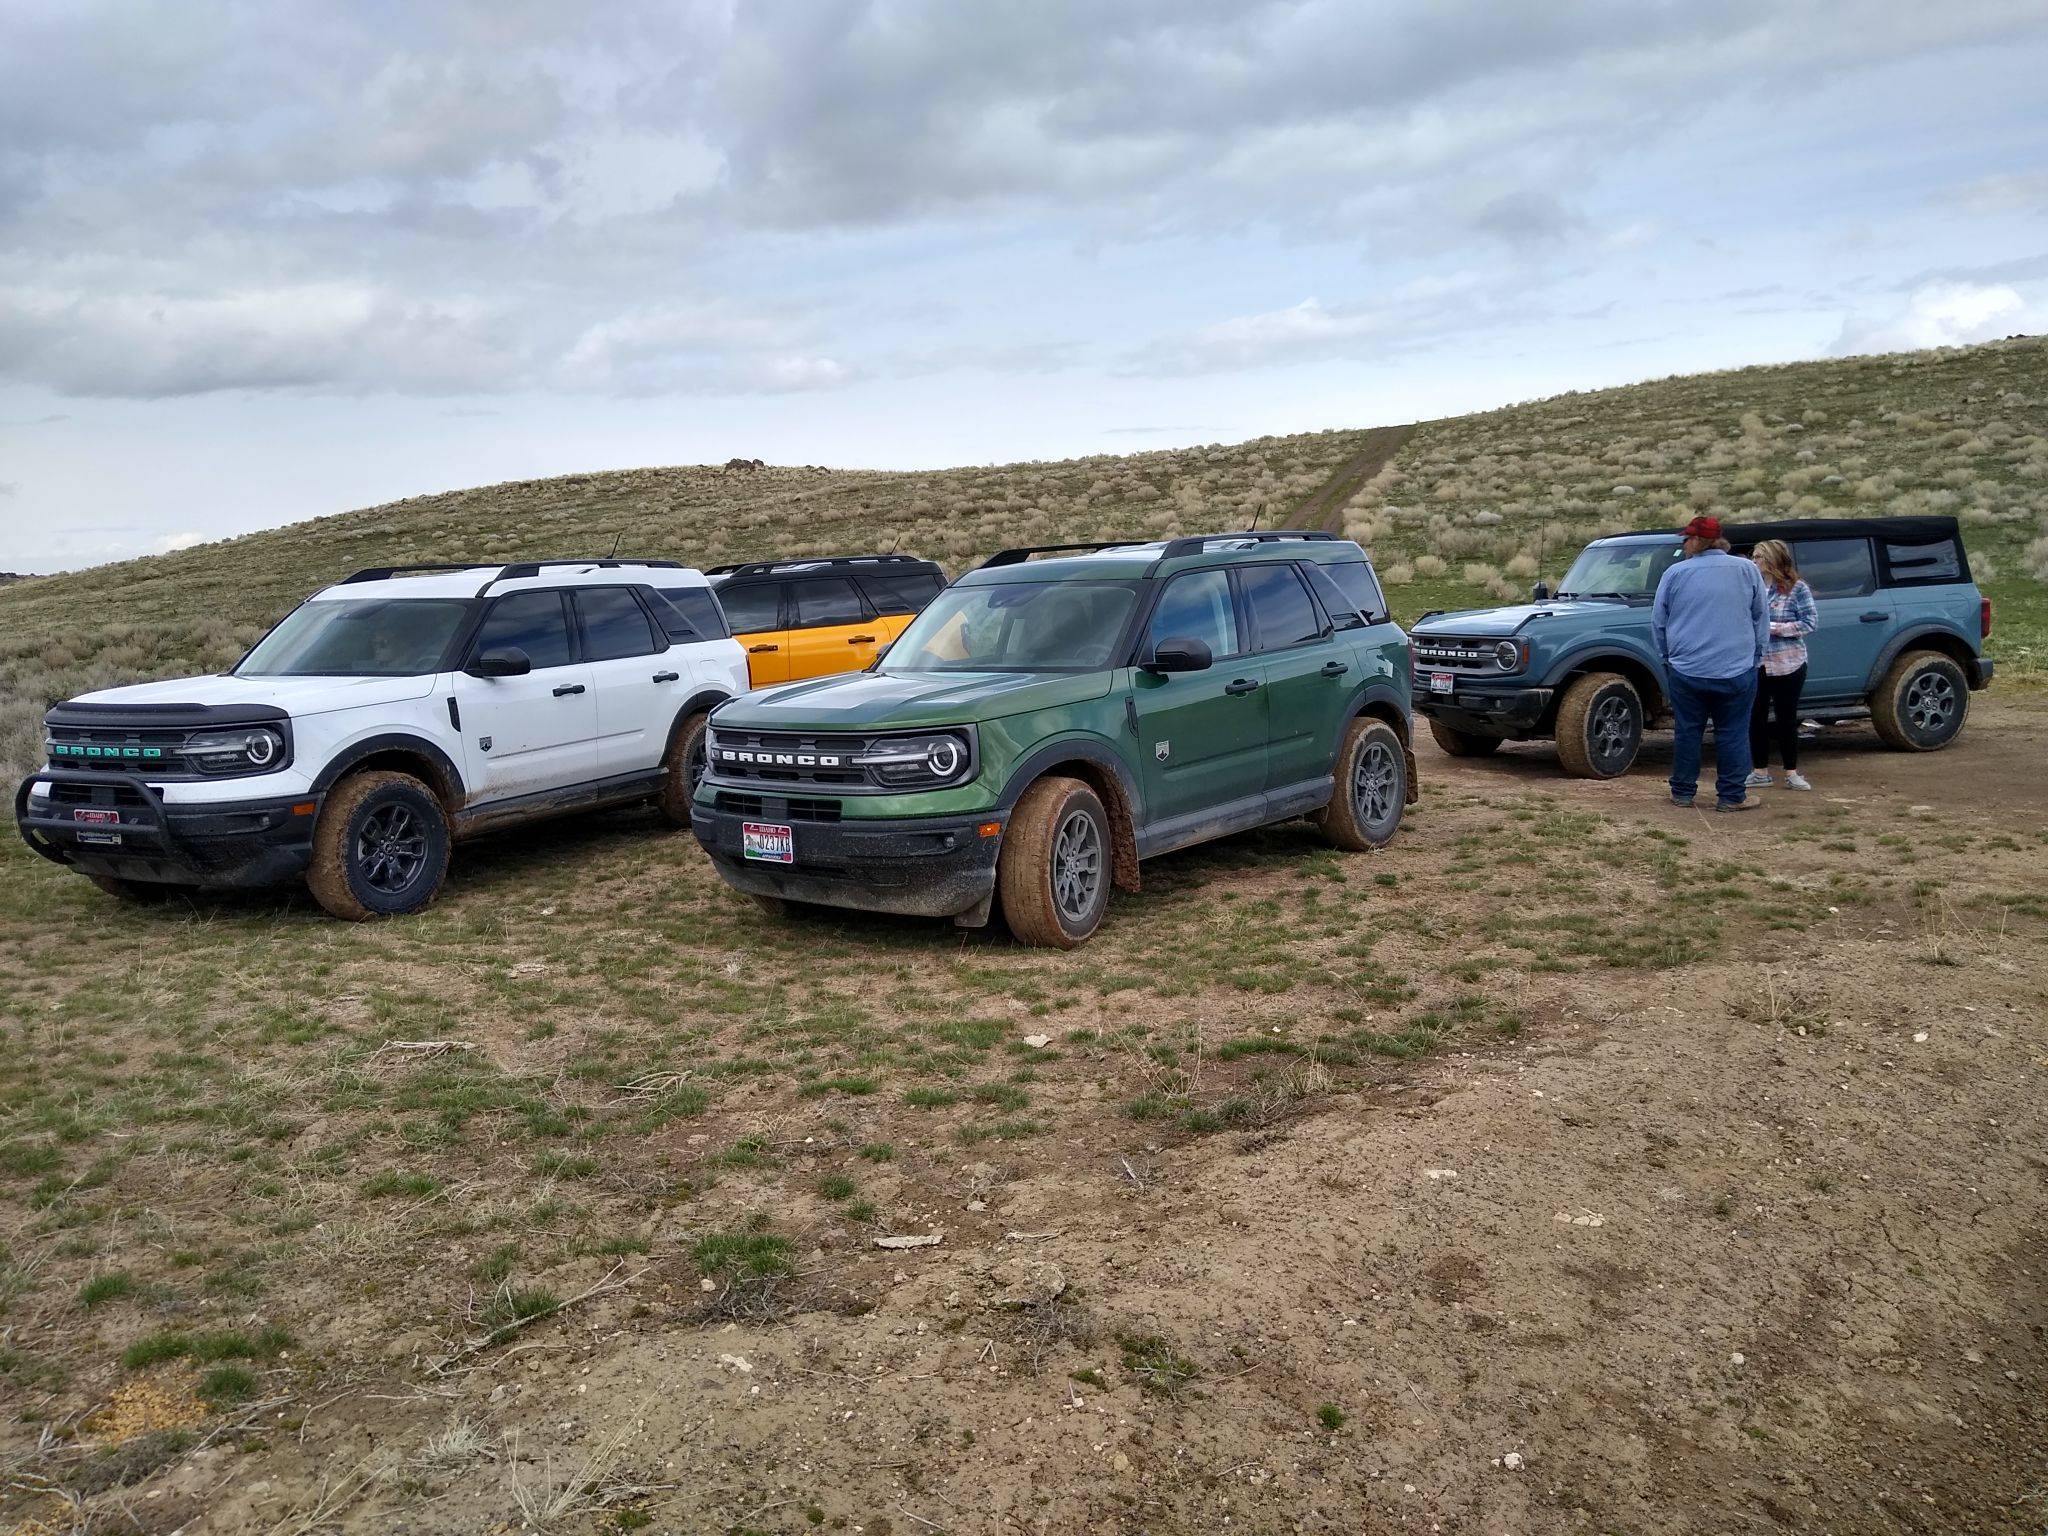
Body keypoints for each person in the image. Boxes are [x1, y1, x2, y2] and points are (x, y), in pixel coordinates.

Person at [1650, 515, 1769, 811]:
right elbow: (1760, 616)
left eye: (1687, 538)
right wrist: (1756, 656)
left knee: (1688, 731)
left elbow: (1659, 622)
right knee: (1733, 731)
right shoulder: (1747, 570)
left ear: (1699, 541)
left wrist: (1667, 657)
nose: (1685, 543)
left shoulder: (1675, 574)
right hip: (1736, 668)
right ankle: (1731, 796)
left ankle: (1683, 792)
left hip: (1687, 669)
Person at [1746, 539, 1818, 791]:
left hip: (1789, 662)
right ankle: (1759, 771)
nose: (1754, 562)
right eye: (1753, 557)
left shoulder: (1797, 588)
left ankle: (1792, 772)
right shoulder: (1753, 587)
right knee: (1756, 717)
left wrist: (1776, 628)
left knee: (1787, 718)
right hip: (1758, 663)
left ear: (1772, 560)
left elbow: (1809, 622)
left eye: (1758, 557)